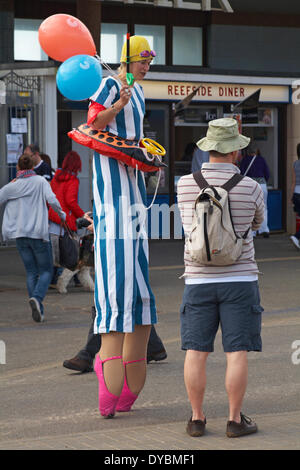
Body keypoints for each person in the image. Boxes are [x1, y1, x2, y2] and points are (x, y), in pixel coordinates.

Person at [177, 118, 265, 438]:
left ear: (208, 148)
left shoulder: (185, 184)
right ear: (235, 152)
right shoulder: (251, 186)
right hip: (240, 280)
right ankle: (234, 420)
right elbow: (257, 222)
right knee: (236, 351)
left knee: (196, 352)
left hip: (197, 279)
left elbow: (189, 226)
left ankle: (197, 419)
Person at [87, 35, 160, 418]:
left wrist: (146, 152)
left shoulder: (143, 92)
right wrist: (116, 105)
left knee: (138, 274)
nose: (147, 65)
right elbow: (92, 123)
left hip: (133, 189)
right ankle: (106, 365)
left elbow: (135, 137)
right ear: (128, 59)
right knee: (116, 272)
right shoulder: (110, 84)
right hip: (110, 191)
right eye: (143, 59)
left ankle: (125, 375)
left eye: (150, 60)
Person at [0, 154, 66, 322]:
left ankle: (38, 309)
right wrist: (62, 215)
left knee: (31, 272)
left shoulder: (12, 186)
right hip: (38, 233)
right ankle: (37, 298)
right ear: (32, 166)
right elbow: (52, 200)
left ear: (18, 168)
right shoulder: (40, 182)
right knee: (46, 270)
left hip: (20, 234)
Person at [48, 151, 94, 292]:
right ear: (77, 165)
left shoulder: (56, 178)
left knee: (55, 256)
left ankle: (53, 281)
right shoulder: (73, 180)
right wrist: (83, 217)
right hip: (66, 222)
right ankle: (62, 283)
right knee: (74, 256)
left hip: (52, 220)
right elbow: (71, 201)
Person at [239, 146, 270, 237]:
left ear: (248, 152)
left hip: (250, 185)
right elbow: (267, 174)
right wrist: (263, 181)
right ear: (256, 152)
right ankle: (264, 229)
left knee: (250, 208)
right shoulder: (261, 159)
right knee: (264, 207)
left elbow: (241, 173)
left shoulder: (245, 160)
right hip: (262, 185)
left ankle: (252, 232)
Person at [290, 143, 300, 249]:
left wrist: (291, 196)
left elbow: (293, 181)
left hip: (297, 194)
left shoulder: (295, 164)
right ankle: (296, 236)